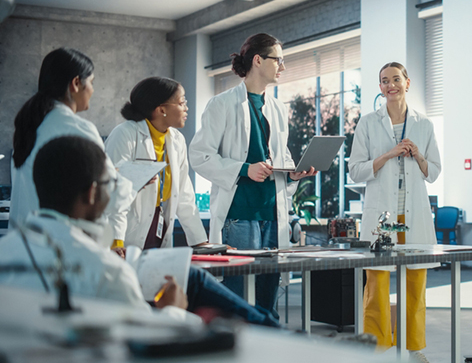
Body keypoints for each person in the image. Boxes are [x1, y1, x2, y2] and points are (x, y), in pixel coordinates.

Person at [0, 136, 282, 327]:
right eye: (111, 183)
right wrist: (172, 310)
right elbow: (144, 340)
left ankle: (267, 324)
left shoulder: (7, 251)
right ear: (92, 193)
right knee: (192, 285)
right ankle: (272, 330)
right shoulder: (108, 274)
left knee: (190, 276)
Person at [189, 33, 315, 322]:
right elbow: (200, 156)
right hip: (239, 215)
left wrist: (293, 173)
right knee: (239, 298)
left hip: (272, 213)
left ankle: (267, 346)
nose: (283, 67)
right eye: (278, 60)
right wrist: (245, 169)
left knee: (267, 296)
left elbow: (280, 156)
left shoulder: (277, 108)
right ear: (258, 60)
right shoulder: (221, 104)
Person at [348, 62, 442, 363]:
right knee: (377, 284)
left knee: (415, 285)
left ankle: (413, 352)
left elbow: (434, 172)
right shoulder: (367, 123)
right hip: (382, 218)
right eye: (385, 81)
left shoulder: (423, 124)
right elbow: (355, 170)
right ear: (380, 87)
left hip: (413, 216)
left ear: (407, 83)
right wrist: (388, 154)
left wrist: (418, 155)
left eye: (396, 79)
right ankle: (376, 352)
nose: (391, 85)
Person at [10, 47, 133, 254]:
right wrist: (125, 181)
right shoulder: (77, 128)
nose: (92, 90)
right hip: (61, 250)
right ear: (76, 83)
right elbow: (110, 196)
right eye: (91, 82)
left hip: (24, 245)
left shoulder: (31, 123)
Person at [105, 77, 208, 250]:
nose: (186, 108)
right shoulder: (124, 134)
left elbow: (184, 195)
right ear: (161, 109)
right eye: (181, 102)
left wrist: (200, 242)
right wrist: (116, 241)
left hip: (159, 227)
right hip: (126, 231)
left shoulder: (177, 140)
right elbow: (114, 193)